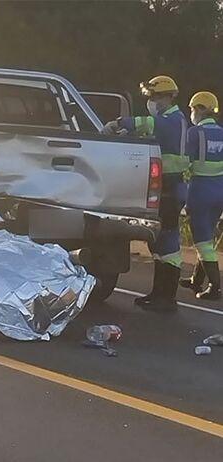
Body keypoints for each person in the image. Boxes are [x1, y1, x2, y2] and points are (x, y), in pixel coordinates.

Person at [103, 75, 189, 311]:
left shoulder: (173, 119)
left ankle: (166, 297)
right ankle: (158, 293)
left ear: (170, 97)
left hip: (171, 187)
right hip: (165, 187)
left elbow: (148, 126)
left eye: (156, 96)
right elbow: (151, 137)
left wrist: (120, 122)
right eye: (151, 97)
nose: (152, 101)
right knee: (160, 243)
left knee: (168, 243)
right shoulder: (166, 119)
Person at [180, 91, 223, 300]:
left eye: (191, 109)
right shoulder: (222, 133)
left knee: (202, 241)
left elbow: (184, 162)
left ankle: (215, 286)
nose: (191, 113)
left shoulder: (194, 134)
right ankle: (196, 281)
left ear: (199, 109)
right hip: (219, 192)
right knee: (207, 236)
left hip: (200, 192)